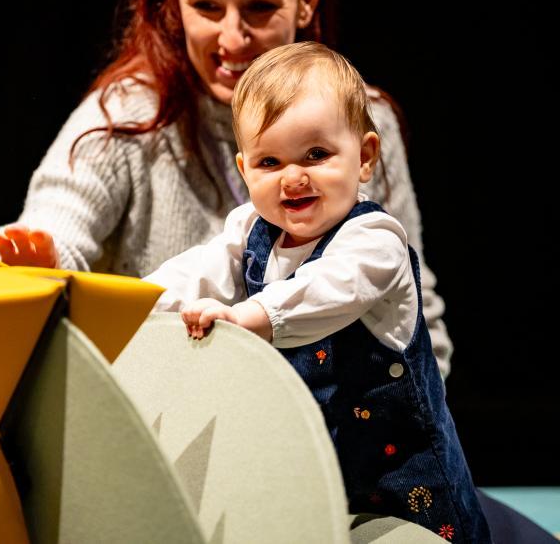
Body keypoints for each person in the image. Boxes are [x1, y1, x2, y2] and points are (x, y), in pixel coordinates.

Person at [0, 0, 455, 379]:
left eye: (259, 7)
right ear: (175, 3)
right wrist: (32, 258)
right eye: (207, 7)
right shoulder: (127, 114)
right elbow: (62, 220)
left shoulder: (365, 118)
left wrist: (417, 435)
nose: (233, 38)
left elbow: (415, 309)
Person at [145, 41, 491, 541]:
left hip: (410, 489)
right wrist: (124, 301)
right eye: (269, 162)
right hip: (315, 475)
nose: (293, 177)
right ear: (245, 171)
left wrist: (251, 316)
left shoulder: (375, 241)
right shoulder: (249, 231)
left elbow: (329, 291)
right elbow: (190, 275)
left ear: (365, 156)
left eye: (316, 154)